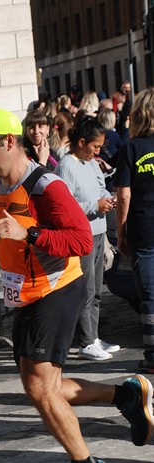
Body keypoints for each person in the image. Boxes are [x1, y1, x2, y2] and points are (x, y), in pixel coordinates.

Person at [0, 108, 153, 463]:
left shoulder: (46, 186)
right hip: (27, 295)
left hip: (55, 291)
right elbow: (9, 231)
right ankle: (127, 396)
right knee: (50, 384)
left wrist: (28, 234)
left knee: (38, 386)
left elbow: (79, 241)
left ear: (9, 141)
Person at [55, 116, 120, 360]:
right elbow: (65, 206)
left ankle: (92, 336)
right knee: (85, 288)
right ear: (81, 142)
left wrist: (106, 198)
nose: (98, 151)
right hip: (82, 235)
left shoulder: (91, 163)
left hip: (98, 230)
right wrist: (95, 204)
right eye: (95, 146)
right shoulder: (66, 166)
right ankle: (86, 340)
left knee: (96, 289)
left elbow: (99, 186)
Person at [114, 87, 154, 374]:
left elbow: (124, 195)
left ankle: (153, 356)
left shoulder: (130, 149)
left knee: (150, 295)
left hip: (144, 230)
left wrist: (121, 231)